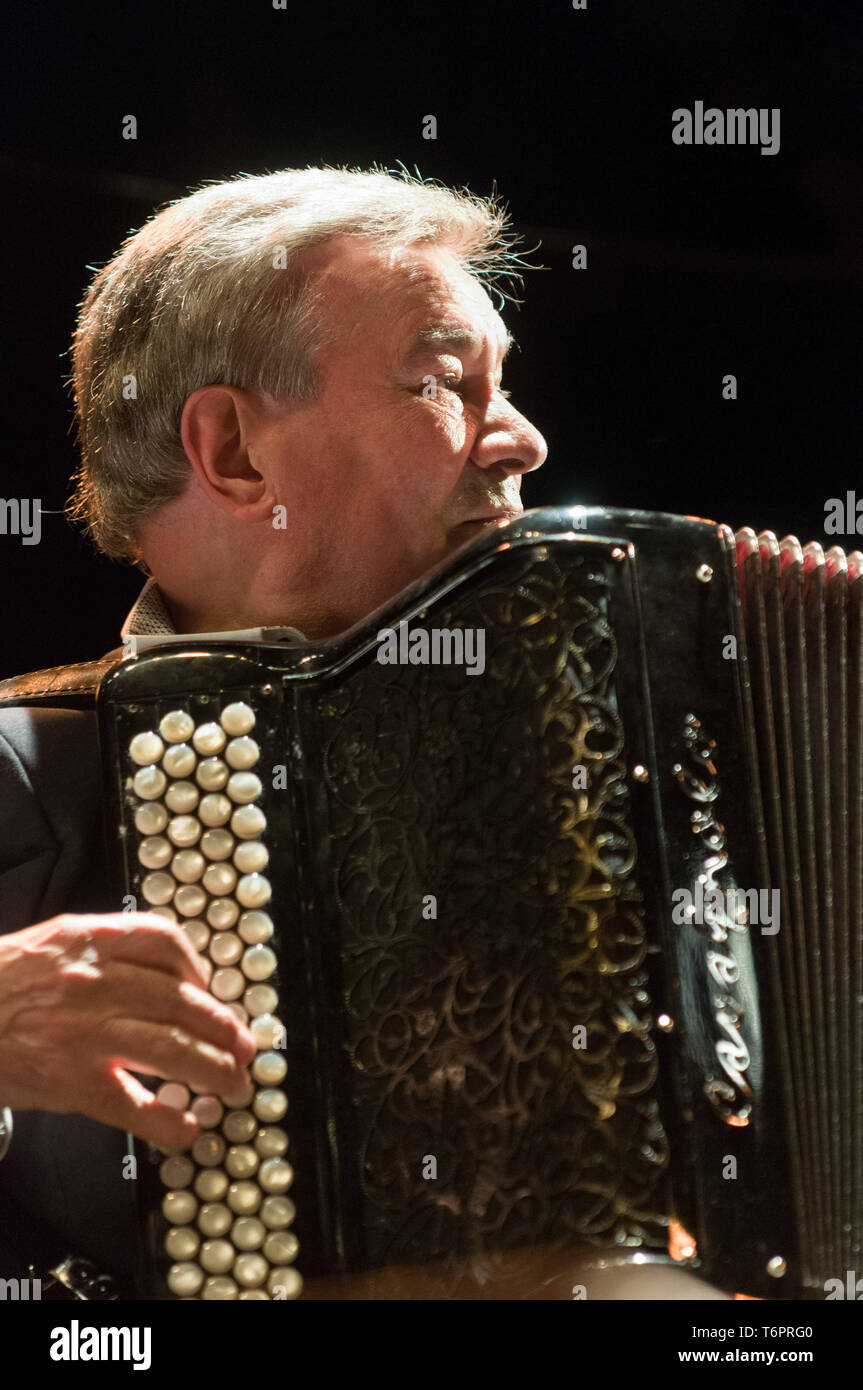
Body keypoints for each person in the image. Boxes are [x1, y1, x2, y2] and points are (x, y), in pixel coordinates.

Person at [0, 166, 726, 1299]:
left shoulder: (646, 736)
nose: (521, 440)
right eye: (447, 383)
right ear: (234, 452)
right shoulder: (23, 776)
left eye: (506, 384)